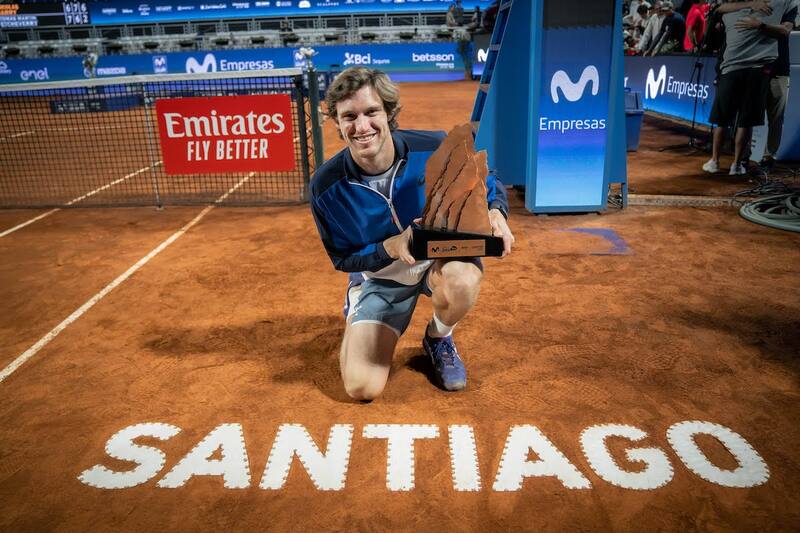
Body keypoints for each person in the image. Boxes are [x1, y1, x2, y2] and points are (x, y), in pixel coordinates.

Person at [309, 68, 514, 400]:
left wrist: (496, 211)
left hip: (438, 262)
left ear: (389, 113)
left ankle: (438, 337)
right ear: (337, 122)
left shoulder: (434, 146)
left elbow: (488, 180)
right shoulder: (326, 187)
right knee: (362, 387)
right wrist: (391, 246)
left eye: (371, 112)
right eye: (349, 117)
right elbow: (343, 257)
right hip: (381, 277)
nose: (361, 127)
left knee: (462, 279)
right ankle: (359, 300)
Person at [702, 0, 797, 175]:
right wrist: (752, 4)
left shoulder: (787, 4)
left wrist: (760, 25)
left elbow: (786, 30)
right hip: (750, 67)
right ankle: (741, 158)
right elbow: (720, 9)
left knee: (774, 115)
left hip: (777, 68)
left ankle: (769, 157)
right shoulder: (750, 3)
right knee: (744, 117)